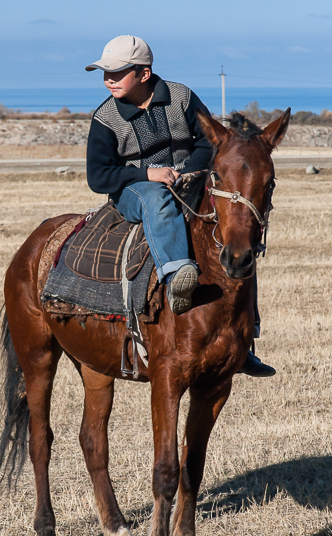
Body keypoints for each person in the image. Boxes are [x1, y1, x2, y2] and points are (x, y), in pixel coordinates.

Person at [85, 35, 274, 377]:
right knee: (156, 199)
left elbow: (211, 141)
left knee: (235, 234)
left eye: (117, 72)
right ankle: (177, 275)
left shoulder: (182, 98)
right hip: (134, 190)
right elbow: (98, 176)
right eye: (105, 73)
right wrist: (148, 174)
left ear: (144, 74)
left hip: (189, 181)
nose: (108, 80)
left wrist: (187, 173)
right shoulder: (105, 118)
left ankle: (247, 341)